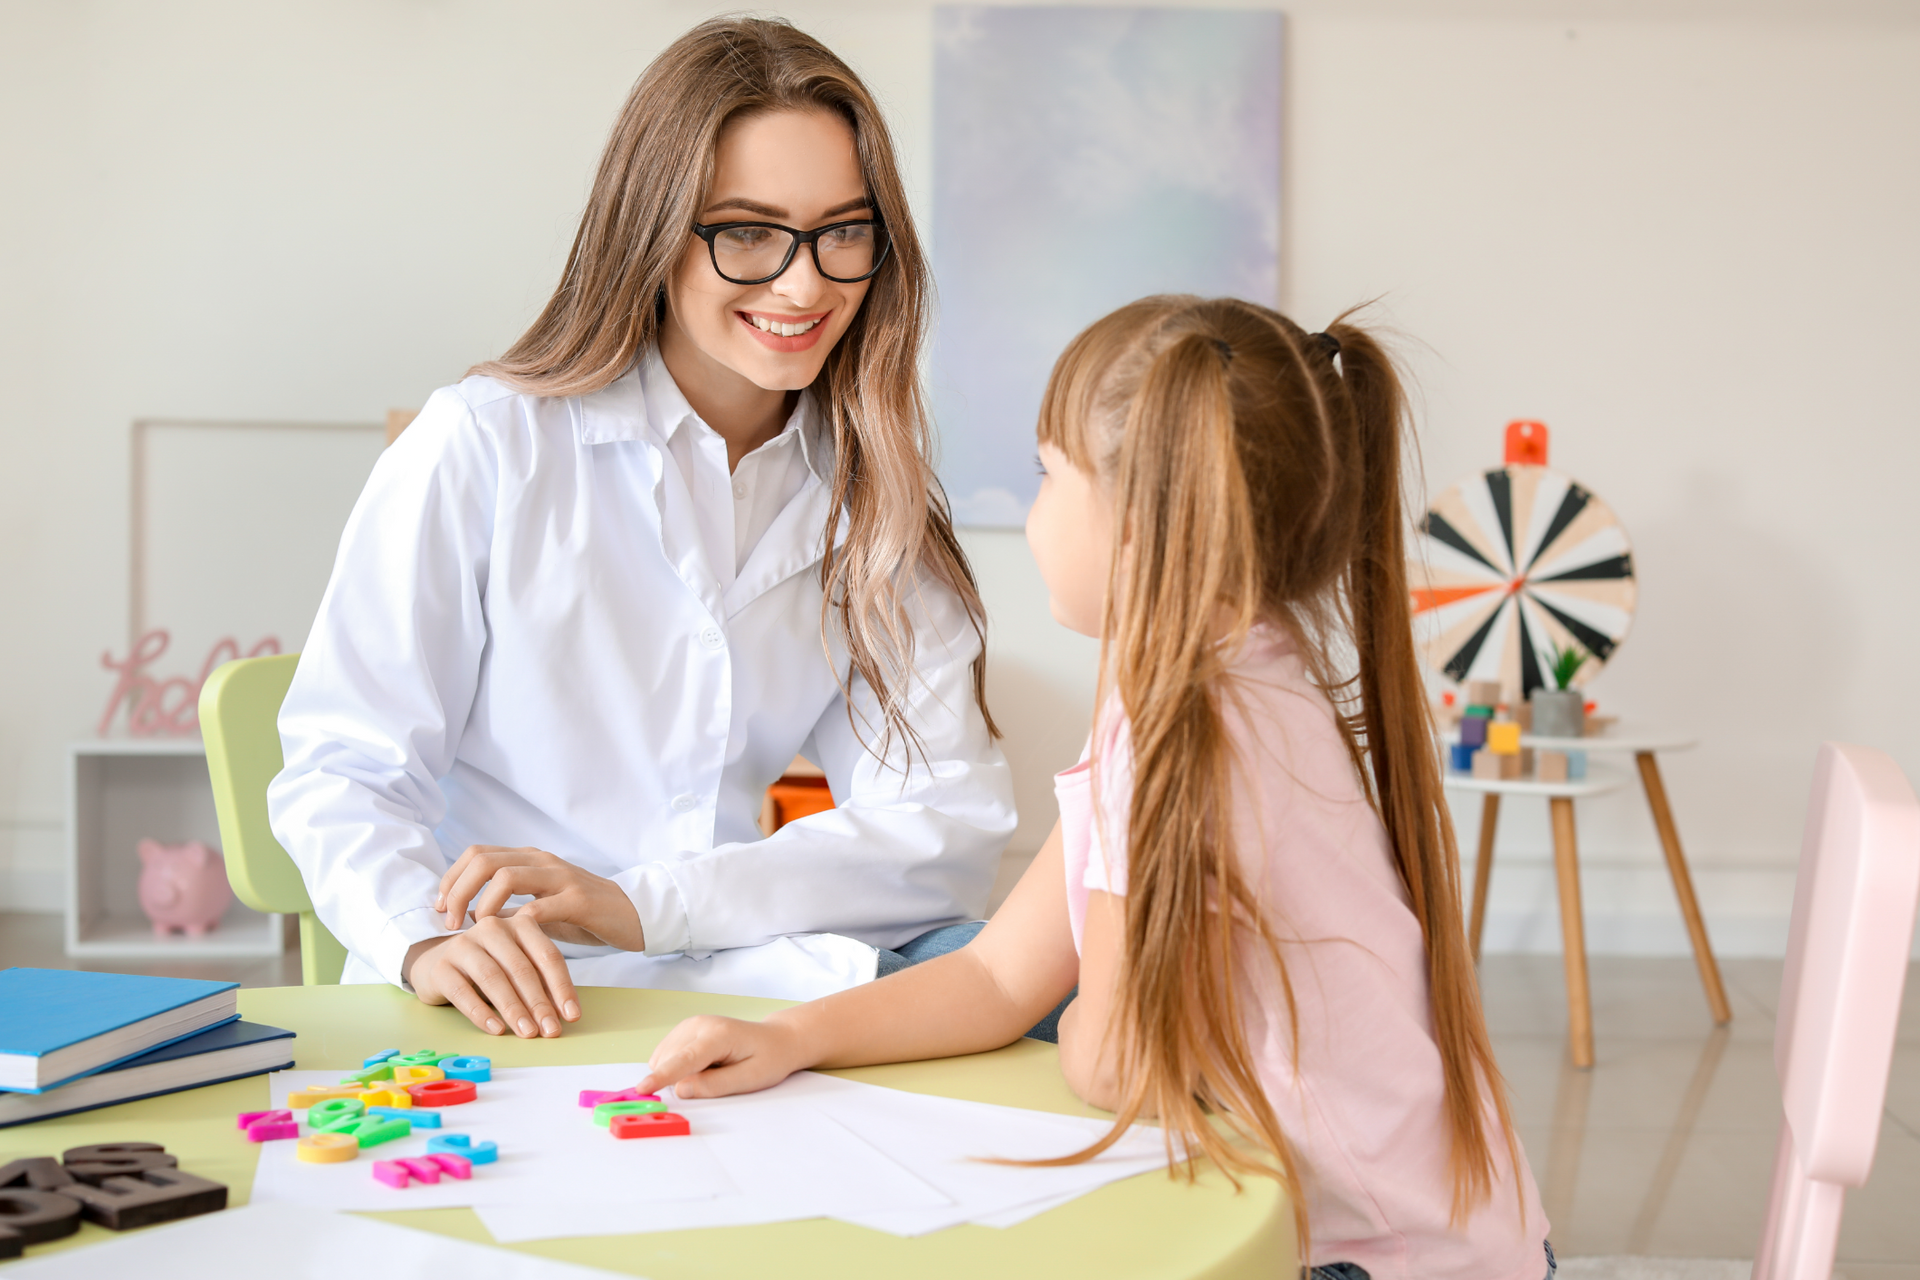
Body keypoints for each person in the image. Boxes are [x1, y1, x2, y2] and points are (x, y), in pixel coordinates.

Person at [635, 297, 1553, 1279]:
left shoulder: (1181, 735)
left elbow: (1112, 1061)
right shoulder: (1253, 675)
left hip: (1372, 1259)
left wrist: (1080, 1023)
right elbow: (998, 974)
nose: (1032, 511)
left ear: (1148, 519)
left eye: (1047, 473)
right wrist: (791, 1035)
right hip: (1481, 1241)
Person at [266, 17, 1015, 1038]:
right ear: (654, 230)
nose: (806, 285)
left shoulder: (870, 496)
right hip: (493, 984)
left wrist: (650, 905)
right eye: (747, 232)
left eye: (843, 230)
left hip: (725, 987)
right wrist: (423, 935)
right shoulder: (485, 443)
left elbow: (945, 824)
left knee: (1043, 987)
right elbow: (343, 770)